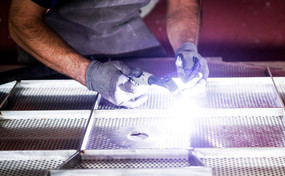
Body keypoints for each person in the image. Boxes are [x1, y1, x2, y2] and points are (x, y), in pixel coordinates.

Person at [8, 0, 209, 107]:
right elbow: (22, 21)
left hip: (123, 31)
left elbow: (182, 4)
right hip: (56, 40)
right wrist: (89, 74)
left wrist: (187, 47)